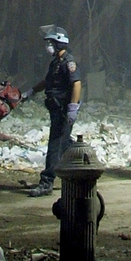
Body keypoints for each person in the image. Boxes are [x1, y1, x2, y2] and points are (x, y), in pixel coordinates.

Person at [24, 25, 81, 197]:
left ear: (59, 43)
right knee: (64, 144)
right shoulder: (56, 62)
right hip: (56, 109)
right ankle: (80, 168)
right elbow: (47, 81)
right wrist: (32, 91)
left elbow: (76, 84)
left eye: (50, 43)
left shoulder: (68, 62)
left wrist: (72, 107)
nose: (48, 46)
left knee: (55, 146)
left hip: (63, 109)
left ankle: (47, 182)